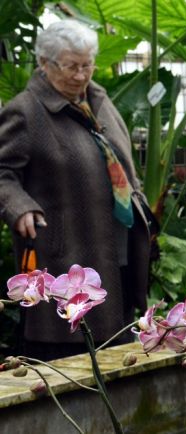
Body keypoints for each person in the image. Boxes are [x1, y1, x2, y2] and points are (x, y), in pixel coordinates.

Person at [0, 20, 152, 360]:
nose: (81, 75)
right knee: (67, 348)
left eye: (87, 65)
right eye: (71, 66)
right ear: (44, 63)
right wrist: (18, 206)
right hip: (63, 248)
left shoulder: (97, 101)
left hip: (114, 245)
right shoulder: (26, 111)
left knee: (114, 337)